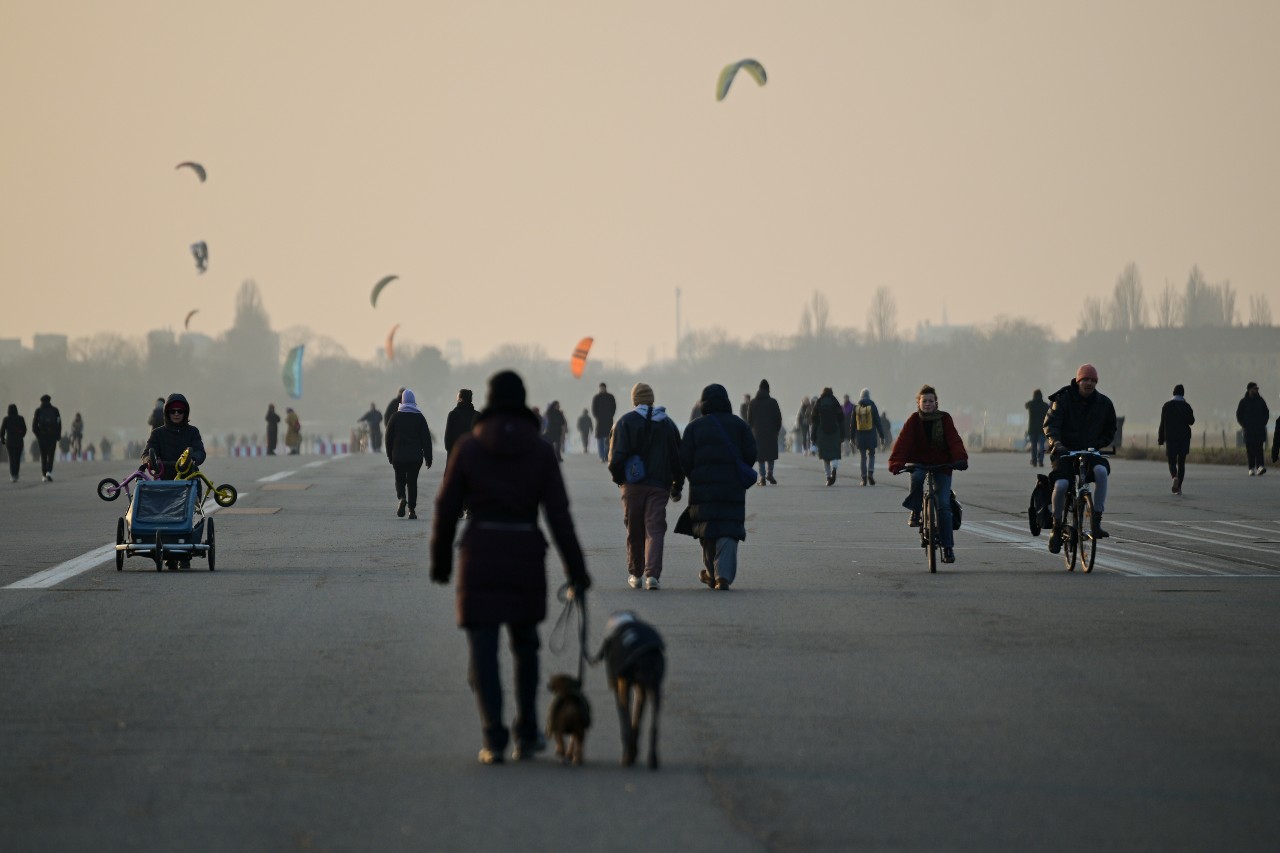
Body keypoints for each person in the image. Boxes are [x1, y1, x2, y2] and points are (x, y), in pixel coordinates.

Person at [430, 370, 591, 765]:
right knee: (525, 647)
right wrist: (576, 571)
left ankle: (494, 737)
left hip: (479, 552)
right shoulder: (539, 450)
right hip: (524, 554)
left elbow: (446, 507)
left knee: (483, 650)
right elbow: (560, 516)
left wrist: (440, 560)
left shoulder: (468, 448)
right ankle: (529, 731)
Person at [675, 383, 757, 590]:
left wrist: (694, 475)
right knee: (728, 530)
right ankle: (723, 577)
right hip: (732, 488)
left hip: (703, 488)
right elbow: (751, 453)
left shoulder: (694, 427)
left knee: (707, 530)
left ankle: (712, 573)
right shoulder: (739, 425)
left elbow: (684, 459)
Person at [607, 382, 684, 590]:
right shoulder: (667, 423)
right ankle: (653, 575)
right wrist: (678, 483)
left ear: (634, 399)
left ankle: (636, 573)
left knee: (634, 528)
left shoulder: (624, 422)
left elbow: (615, 458)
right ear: (652, 399)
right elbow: (677, 456)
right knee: (655, 528)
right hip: (660, 484)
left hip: (632, 485)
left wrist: (619, 479)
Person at [887, 384, 968, 564]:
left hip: (942, 465)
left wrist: (960, 459)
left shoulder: (945, 419)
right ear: (919, 403)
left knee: (944, 505)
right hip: (920, 463)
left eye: (931, 401)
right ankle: (916, 511)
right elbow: (903, 442)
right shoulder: (914, 420)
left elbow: (954, 440)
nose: (928, 404)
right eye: (925, 401)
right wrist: (896, 462)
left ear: (936, 402)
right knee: (916, 477)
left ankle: (947, 548)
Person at [1043, 364, 1118, 552]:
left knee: (1101, 472)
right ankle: (1056, 525)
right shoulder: (1062, 400)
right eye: (1086, 379)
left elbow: (1111, 429)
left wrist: (1098, 444)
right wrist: (1056, 443)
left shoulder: (1104, 403)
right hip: (1065, 453)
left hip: (1090, 452)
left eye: (1093, 380)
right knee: (1061, 485)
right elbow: (1050, 425)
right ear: (1078, 381)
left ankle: (1096, 519)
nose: (1089, 383)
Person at [385, 389, 433, 519]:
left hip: (398, 456)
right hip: (415, 457)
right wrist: (429, 457)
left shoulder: (395, 417)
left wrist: (390, 455)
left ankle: (401, 497)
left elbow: (388, 438)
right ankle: (412, 510)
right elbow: (426, 439)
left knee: (399, 479)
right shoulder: (419, 417)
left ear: (402, 400)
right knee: (412, 482)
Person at [142, 393, 206, 480]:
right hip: (163, 480)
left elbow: (200, 452)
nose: (176, 414)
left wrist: (192, 459)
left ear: (185, 413)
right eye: (172, 411)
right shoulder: (157, 433)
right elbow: (146, 454)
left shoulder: (193, 431)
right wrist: (150, 460)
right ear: (167, 413)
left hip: (188, 478)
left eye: (180, 411)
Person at [1158, 384, 1195, 495]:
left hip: (1171, 438)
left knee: (1172, 461)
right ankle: (1178, 487)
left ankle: (1174, 476)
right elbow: (1191, 421)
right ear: (1183, 393)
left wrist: (1161, 438)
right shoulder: (1187, 406)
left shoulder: (1166, 406)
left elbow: (1162, 424)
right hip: (1184, 438)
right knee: (1181, 462)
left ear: (1173, 393)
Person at [746, 379, 782, 485]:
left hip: (758, 433)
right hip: (771, 432)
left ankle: (762, 477)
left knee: (760, 456)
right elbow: (778, 418)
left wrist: (753, 430)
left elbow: (749, 420)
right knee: (770, 455)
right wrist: (776, 430)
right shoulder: (773, 402)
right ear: (768, 389)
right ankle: (769, 473)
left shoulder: (752, 403)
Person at [852, 388, 889, 486]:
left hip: (860, 436)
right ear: (869, 396)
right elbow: (878, 422)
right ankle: (870, 473)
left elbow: (853, 424)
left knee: (863, 457)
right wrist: (881, 436)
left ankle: (863, 478)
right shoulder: (872, 406)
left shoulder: (856, 407)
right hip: (871, 435)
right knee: (872, 455)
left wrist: (852, 438)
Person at [811, 387, 844, 486]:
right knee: (834, 453)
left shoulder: (819, 402)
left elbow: (814, 419)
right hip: (835, 431)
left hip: (822, 431)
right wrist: (842, 434)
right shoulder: (835, 401)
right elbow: (841, 417)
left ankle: (828, 476)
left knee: (825, 456)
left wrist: (813, 437)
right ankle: (834, 468)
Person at [1236, 381, 1269, 476]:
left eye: (1257, 389)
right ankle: (1251, 468)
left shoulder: (1261, 400)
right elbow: (1239, 415)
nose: (1256, 390)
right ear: (1250, 390)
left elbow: (1266, 412)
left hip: (1259, 429)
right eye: (1255, 388)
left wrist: (1263, 423)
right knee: (1250, 450)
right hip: (1248, 430)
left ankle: (1260, 466)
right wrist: (1244, 425)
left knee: (1259, 449)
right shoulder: (1243, 402)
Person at [31, 394, 61, 482]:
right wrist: (57, 435)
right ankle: (49, 472)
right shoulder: (55, 410)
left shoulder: (38, 411)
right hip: (52, 436)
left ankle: (44, 474)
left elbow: (34, 425)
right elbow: (59, 423)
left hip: (42, 436)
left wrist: (38, 435)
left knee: (43, 456)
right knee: (51, 455)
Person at [444, 389, 478, 461]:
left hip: (456, 454)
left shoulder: (453, 414)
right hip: (473, 455)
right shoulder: (477, 415)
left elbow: (448, 438)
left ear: (460, 398)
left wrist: (451, 452)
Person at [591, 382, 617, 463]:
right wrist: (597, 417)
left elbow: (614, 407)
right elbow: (593, 409)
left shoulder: (610, 397)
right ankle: (602, 456)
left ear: (605, 388)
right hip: (600, 421)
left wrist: (611, 415)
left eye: (603, 388)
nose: (602, 389)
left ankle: (607, 455)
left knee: (608, 439)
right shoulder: (596, 398)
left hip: (609, 420)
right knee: (600, 439)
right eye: (601, 388)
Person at [2, 403, 27, 482]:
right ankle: (16, 473)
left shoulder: (6, 419)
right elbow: (24, 429)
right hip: (19, 441)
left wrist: (2, 439)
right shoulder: (20, 418)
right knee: (17, 458)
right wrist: (21, 435)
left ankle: (13, 474)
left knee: (12, 458)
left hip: (10, 442)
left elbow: (2, 430)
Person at [1025, 389, 1049, 467]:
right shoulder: (1045, 405)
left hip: (1032, 429)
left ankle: (1034, 461)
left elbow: (1026, 405)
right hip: (1042, 428)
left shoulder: (1031, 404)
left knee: (1033, 446)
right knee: (1041, 446)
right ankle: (1041, 460)